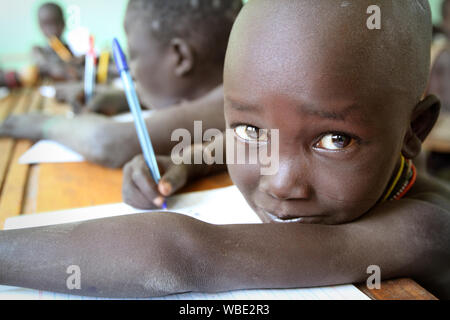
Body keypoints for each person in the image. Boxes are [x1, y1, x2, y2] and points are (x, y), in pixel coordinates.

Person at [0, 0, 449, 299]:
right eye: (252, 130)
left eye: (335, 140)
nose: (280, 181)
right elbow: (226, 141)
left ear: (415, 129)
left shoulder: (425, 230)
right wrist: (183, 163)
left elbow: (184, 257)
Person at [0, 0, 242, 168]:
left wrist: (45, 124)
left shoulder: (234, 102)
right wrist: (125, 98)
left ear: (180, 57)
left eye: (133, 54)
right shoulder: (230, 85)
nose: (131, 68)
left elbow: (109, 142)